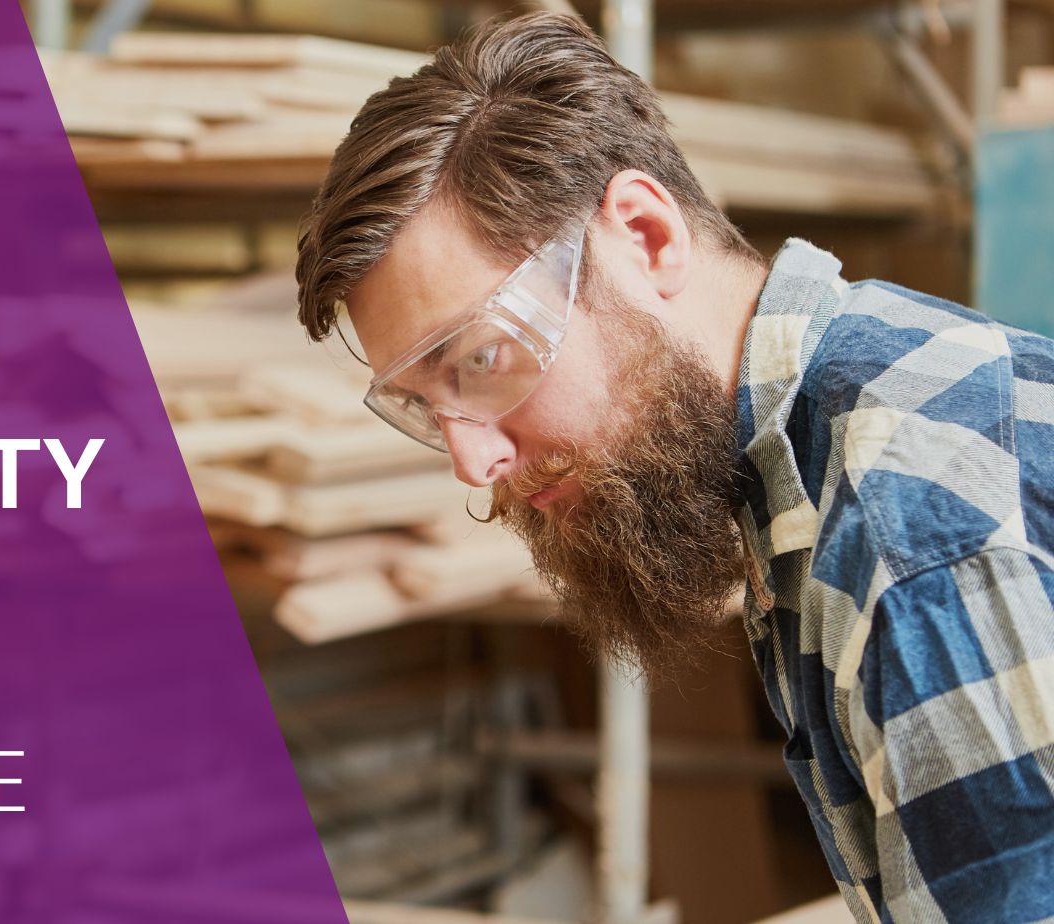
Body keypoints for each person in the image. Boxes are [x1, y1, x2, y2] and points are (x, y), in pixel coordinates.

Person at [294, 12, 1054, 922]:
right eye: (422, 403)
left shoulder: (902, 536)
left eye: (484, 360)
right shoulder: (811, 457)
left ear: (648, 237)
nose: (473, 460)